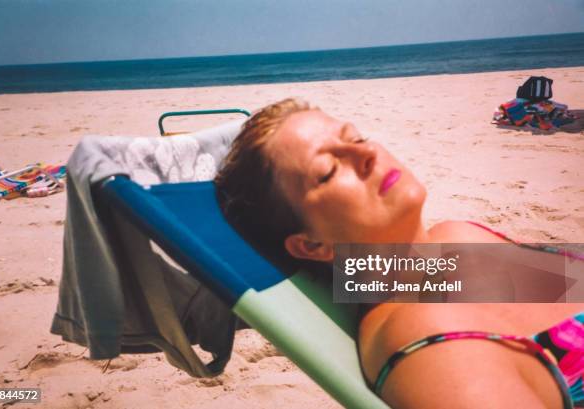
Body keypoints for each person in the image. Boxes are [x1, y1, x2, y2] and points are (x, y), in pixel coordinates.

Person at [214, 98, 584, 409]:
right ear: (313, 245)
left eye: (356, 137)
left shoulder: (452, 239)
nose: (365, 153)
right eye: (327, 171)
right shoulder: (430, 341)